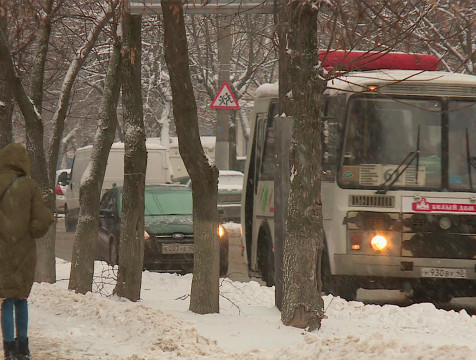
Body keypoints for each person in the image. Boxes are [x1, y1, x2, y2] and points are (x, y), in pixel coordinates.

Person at [0, 143, 54, 360]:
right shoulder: (30, 186)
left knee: (5, 298)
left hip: (1, 250)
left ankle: (9, 348)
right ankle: (23, 347)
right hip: (24, 250)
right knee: (21, 298)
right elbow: (44, 218)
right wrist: (31, 231)